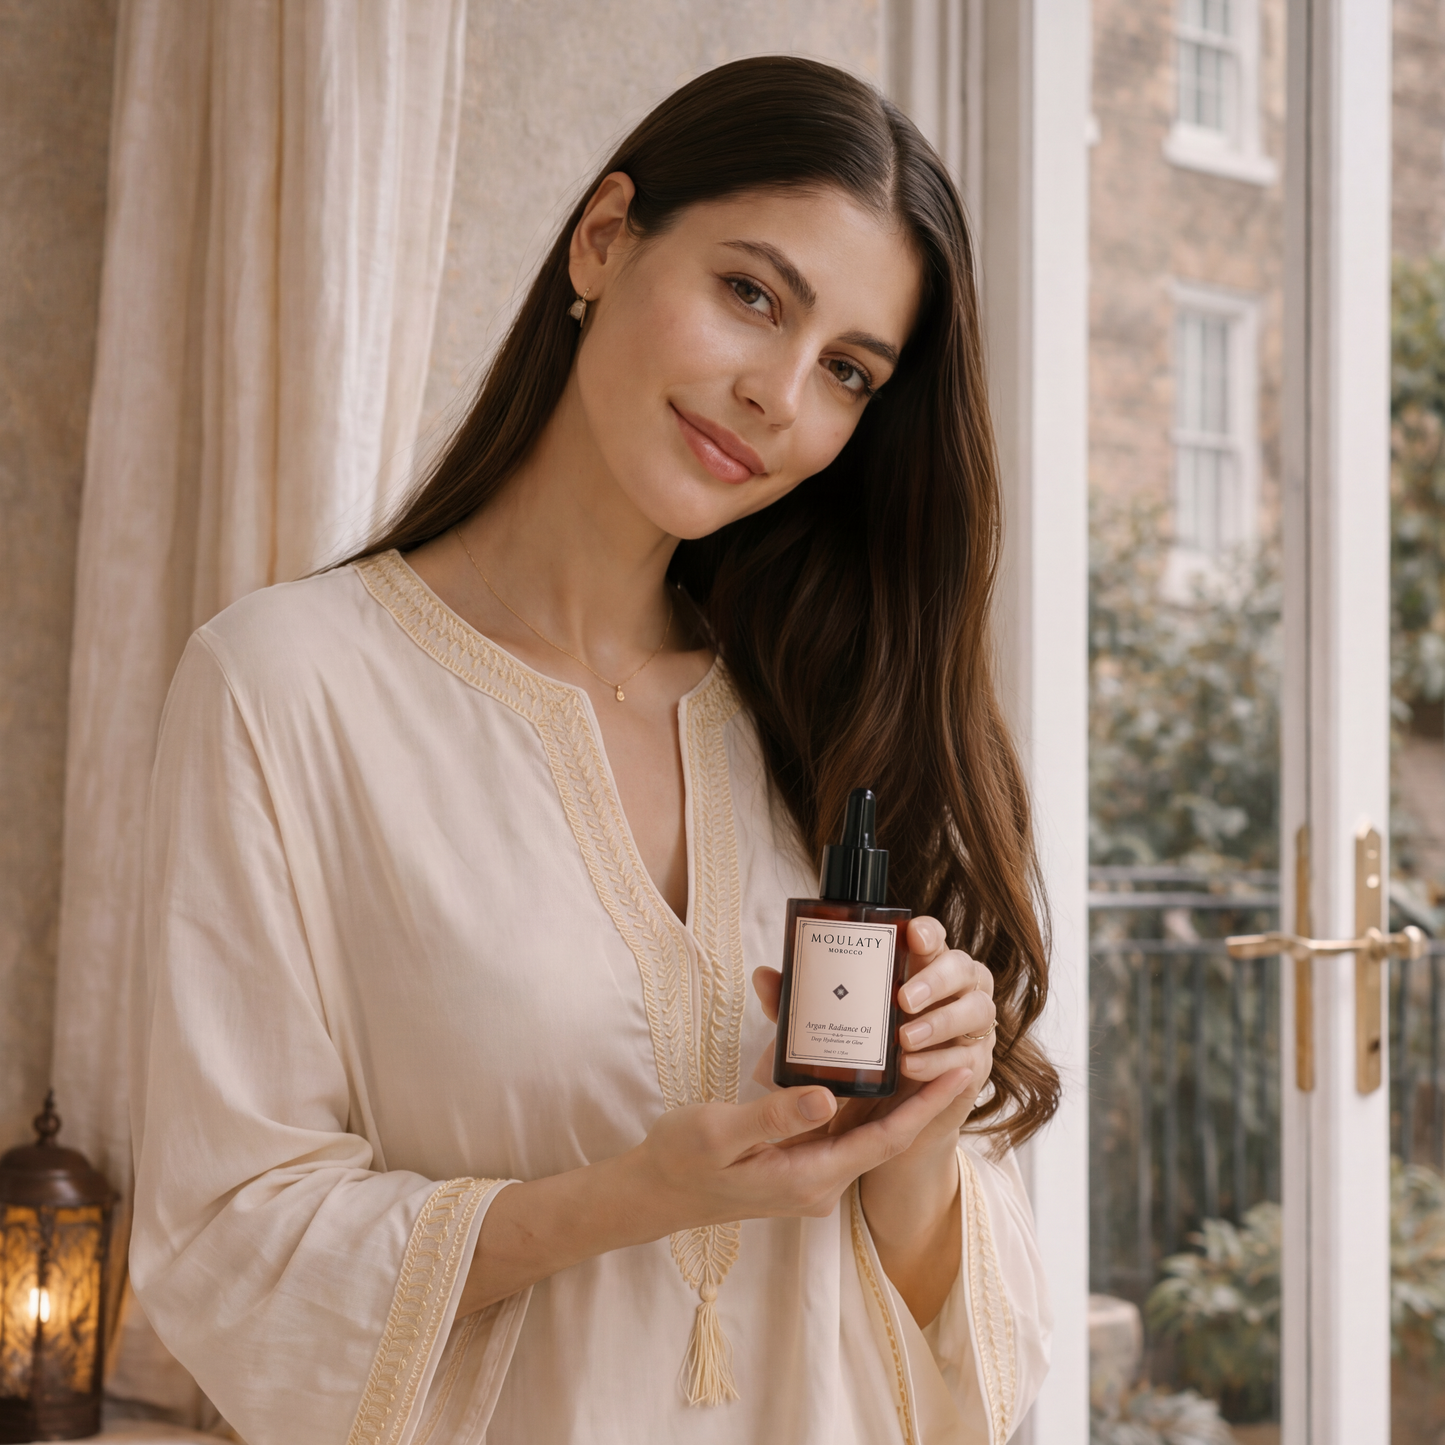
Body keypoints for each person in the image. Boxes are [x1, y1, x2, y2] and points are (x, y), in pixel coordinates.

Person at [130, 55, 1059, 1445]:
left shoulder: (841, 712)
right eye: (753, 294)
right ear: (606, 238)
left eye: (848, 371)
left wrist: (922, 1139)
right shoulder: (287, 687)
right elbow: (231, 1241)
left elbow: (976, 1365)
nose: (779, 393)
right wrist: (628, 1201)